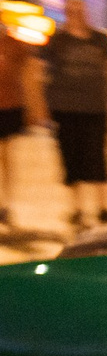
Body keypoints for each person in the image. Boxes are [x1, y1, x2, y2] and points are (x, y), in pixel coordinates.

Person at [38, 0, 107, 231]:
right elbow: (41, 72)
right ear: (66, 13)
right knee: (71, 158)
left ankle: (103, 208)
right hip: (65, 109)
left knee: (97, 157)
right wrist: (41, 106)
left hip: (95, 108)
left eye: (79, 9)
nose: (76, 14)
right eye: (71, 10)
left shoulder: (101, 40)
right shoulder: (57, 41)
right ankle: (77, 209)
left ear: (86, 12)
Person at [0, 19, 27, 231]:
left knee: (6, 156)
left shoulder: (12, 44)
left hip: (8, 106)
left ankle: (6, 204)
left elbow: (27, 74)